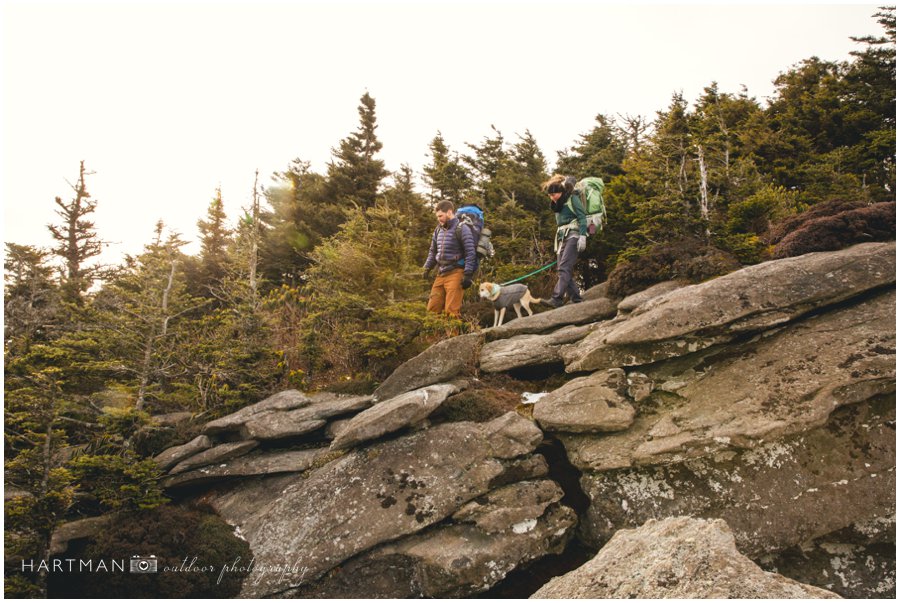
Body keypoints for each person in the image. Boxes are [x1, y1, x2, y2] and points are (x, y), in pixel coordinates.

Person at [422, 200, 477, 317]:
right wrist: (426, 268)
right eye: (437, 216)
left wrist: (467, 274)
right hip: (440, 273)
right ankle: (434, 336)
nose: (439, 219)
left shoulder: (462, 228)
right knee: (432, 310)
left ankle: (453, 336)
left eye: (441, 216)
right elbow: (433, 251)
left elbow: (470, 252)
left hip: (456, 273)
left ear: (449, 212)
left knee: (451, 311)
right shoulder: (438, 230)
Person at [542, 174, 587, 308]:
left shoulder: (572, 198)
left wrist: (583, 236)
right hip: (561, 237)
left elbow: (582, 217)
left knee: (564, 267)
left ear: (561, 192)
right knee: (563, 269)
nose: (552, 197)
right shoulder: (557, 205)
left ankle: (557, 299)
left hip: (573, 235)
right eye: (550, 195)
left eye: (554, 194)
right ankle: (576, 298)